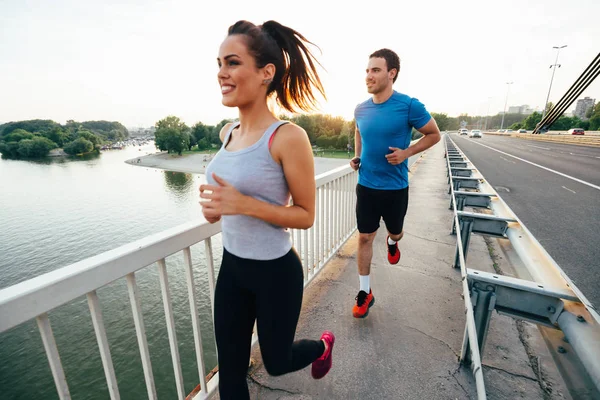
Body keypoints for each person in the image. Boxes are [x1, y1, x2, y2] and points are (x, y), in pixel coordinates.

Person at [199, 20, 335, 399]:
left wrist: (243, 204)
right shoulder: (227, 132)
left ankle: (323, 347)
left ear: (266, 73)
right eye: (219, 64)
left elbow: (305, 214)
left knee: (276, 363)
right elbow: (225, 200)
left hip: (276, 274)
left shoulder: (287, 137)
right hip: (233, 269)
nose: (221, 74)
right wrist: (215, 210)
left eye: (232, 63)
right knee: (230, 372)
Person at [349, 48, 441, 318]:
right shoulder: (360, 109)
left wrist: (407, 153)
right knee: (365, 237)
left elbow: (433, 135)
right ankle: (365, 292)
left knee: (396, 232)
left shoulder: (409, 105)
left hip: (395, 189)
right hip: (367, 186)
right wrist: (358, 155)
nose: (369, 76)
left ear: (392, 73)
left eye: (375, 70)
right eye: (367, 70)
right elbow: (358, 130)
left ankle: (393, 241)